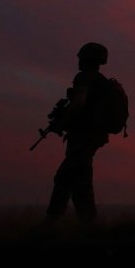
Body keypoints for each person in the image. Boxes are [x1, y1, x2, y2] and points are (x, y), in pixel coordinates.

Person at [44, 42, 114, 225]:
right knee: (77, 181)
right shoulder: (102, 82)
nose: (78, 61)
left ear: (86, 59)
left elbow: (78, 103)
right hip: (93, 136)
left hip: (83, 137)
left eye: (81, 57)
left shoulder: (84, 78)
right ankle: (87, 224)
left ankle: (51, 222)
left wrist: (61, 124)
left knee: (66, 178)